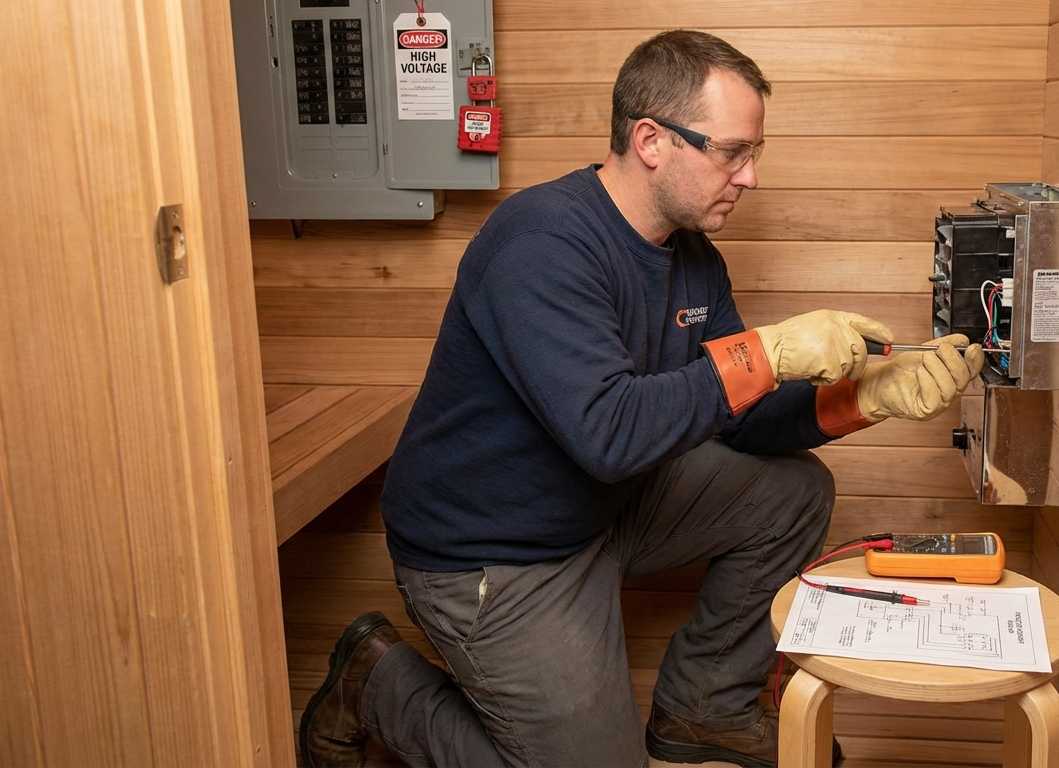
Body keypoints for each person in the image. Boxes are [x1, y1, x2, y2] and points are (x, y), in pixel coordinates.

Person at [299, 29, 984, 768]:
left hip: (603, 507)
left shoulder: (693, 260)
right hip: (492, 555)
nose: (750, 176)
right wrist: (770, 351)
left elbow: (743, 416)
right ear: (652, 140)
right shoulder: (541, 241)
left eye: (754, 152)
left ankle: (705, 708)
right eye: (733, 152)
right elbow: (608, 432)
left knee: (791, 493)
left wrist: (867, 397)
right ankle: (378, 683)